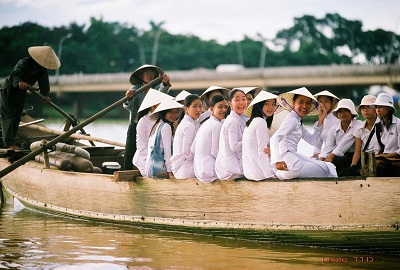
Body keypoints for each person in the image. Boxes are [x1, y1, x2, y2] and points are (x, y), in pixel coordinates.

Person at [270, 87, 337, 180]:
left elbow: (313, 141)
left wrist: (321, 120)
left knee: (326, 166)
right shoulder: (292, 119)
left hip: (289, 162)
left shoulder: (298, 121)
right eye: (301, 102)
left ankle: (279, 173)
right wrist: (277, 161)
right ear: (294, 103)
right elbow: (274, 138)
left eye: (308, 103)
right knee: (327, 169)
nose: (304, 106)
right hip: (290, 163)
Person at [0, 46, 60, 150]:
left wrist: (46, 95)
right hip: (9, 91)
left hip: (21, 93)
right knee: (9, 116)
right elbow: (15, 75)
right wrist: (19, 83)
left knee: (16, 117)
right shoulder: (24, 62)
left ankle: (11, 142)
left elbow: (44, 84)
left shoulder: (42, 70)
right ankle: (9, 144)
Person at [123, 64, 171, 170]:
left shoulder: (156, 88)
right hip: (135, 124)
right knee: (131, 151)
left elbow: (162, 93)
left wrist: (166, 83)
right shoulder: (135, 88)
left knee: (151, 150)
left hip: (152, 125)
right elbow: (127, 105)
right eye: (146, 72)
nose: (149, 74)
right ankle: (126, 171)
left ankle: (150, 170)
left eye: (151, 72)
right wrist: (129, 97)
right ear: (140, 75)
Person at [132, 89, 173, 176]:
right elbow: (141, 146)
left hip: (161, 157)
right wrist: (153, 157)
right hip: (144, 159)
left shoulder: (164, 120)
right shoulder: (143, 121)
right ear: (153, 105)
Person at [319, 99, 362, 174]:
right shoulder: (333, 129)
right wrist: (321, 160)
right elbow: (328, 147)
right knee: (324, 167)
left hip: (356, 156)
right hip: (341, 157)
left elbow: (346, 142)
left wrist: (330, 157)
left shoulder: (358, 124)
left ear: (351, 112)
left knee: (336, 166)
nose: (342, 113)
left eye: (346, 110)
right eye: (340, 111)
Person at [339, 95, 379, 176]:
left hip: (380, 160)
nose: (365, 110)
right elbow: (357, 153)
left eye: (368, 107)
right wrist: (352, 167)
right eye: (363, 108)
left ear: (376, 109)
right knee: (344, 174)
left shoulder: (383, 126)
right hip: (366, 161)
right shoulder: (359, 128)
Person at [242, 91, 277, 180]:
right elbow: (262, 152)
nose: (270, 107)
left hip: (249, 173)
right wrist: (269, 176)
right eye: (266, 104)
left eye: (273, 104)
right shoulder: (260, 122)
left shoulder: (251, 122)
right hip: (259, 174)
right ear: (259, 105)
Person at [194, 95, 229, 182]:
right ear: (212, 109)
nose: (224, 110)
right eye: (220, 107)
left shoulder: (206, 123)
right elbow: (215, 152)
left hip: (199, 172)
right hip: (209, 172)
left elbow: (192, 149)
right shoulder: (217, 125)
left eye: (226, 107)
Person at [145, 98, 183, 179]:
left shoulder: (157, 125)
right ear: (164, 112)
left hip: (150, 168)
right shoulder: (166, 126)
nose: (174, 115)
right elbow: (167, 152)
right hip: (159, 170)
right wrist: (170, 172)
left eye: (176, 112)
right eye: (170, 111)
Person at [215, 88, 247, 180]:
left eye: (243, 99)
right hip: (232, 167)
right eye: (237, 100)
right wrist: (250, 140)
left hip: (231, 165)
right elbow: (235, 147)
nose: (241, 103)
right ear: (230, 103)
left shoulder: (238, 119)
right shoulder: (232, 121)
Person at [170, 94, 202, 179]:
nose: (198, 110)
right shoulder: (189, 125)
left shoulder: (188, 123)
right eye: (194, 106)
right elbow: (186, 152)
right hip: (184, 169)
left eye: (200, 106)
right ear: (186, 109)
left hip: (181, 168)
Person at [371, 93, 400, 176]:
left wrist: (385, 156)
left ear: (389, 108)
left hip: (395, 162)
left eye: (381, 107)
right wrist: (380, 156)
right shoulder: (378, 126)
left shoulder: (398, 124)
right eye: (376, 107)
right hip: (384, 161)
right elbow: (378, 148)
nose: (377, 110)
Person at [312, 90, 340, 158]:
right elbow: (317, 142)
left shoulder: (338, 120)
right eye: (320, 102)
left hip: (336, 155)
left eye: (326, 101)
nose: (323, 104)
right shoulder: (319, 121)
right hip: (324, 155)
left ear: (332, 103)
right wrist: (316, 152)